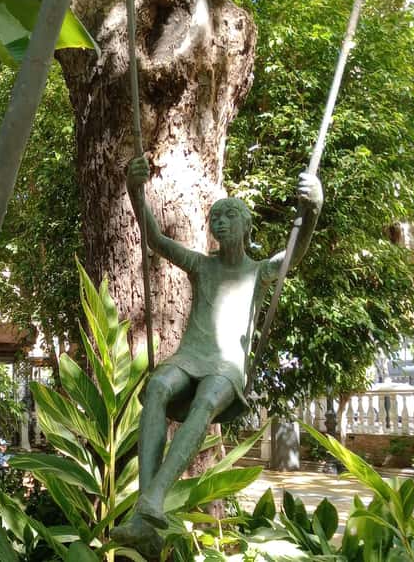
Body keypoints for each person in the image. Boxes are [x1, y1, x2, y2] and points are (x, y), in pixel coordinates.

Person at [112, 156, 323, 555]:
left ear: (245, 226)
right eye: (215, 218)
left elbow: (293, 254)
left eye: (229, 216)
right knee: (156, 387)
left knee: (207, 400)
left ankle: (151, 500)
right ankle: (147, 512)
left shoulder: (259, 272)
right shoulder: (200, 266)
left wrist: (311, 209)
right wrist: (135, 190)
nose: (220, 222)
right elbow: (155, 240)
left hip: (226, 366)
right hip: (191, 354)